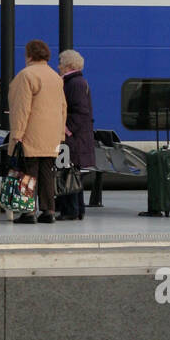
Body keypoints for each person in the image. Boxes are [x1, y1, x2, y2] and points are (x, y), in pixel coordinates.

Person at [8, 40, 67, 224]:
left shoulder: (26, 75)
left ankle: (28, 212)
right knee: (47, 174)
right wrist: (60, 135)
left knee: (28, 173)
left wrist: (17, 133)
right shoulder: (56, 77)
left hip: (30, 134)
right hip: (51, 136)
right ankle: (48, 211)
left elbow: (21, 108)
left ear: (29, 55)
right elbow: (63, 107)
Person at [57, 48, 96, 221]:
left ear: (68, 65)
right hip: (78, 139)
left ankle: (70, 210)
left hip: (73, 139)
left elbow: (81, 111)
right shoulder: (78, 82)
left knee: (67, 172)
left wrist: (66, 130)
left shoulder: (74, 84)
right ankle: (78, 209)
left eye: (61, 63)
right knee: (73, 173)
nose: (58, 66)